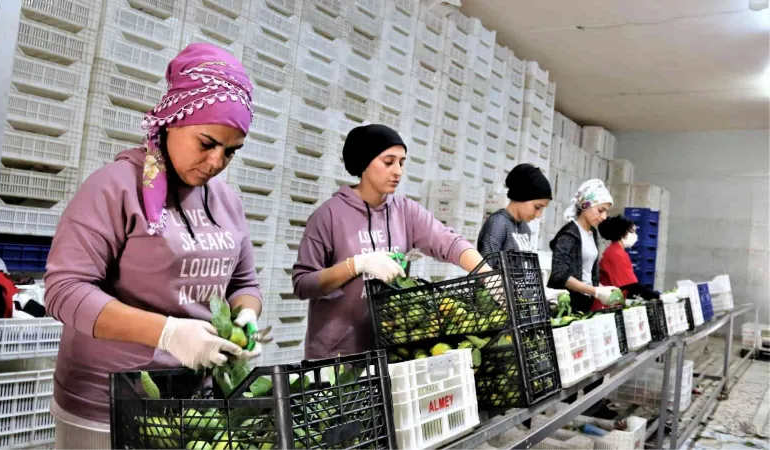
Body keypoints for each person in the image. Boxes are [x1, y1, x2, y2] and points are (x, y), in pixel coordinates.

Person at [43, 43, 264, 449]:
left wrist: (245, 318)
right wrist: (167, 333)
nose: (216, 162)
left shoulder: (226, 202)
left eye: (231, 152)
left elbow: (244, 283)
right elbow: (64, 291)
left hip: (188, 404)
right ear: (173, 120)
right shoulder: (115, 187)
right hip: (106, 406)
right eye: (206, 142)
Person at [292, 124, 492, 359]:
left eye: (401, 162)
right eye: (388, 162)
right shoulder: (329, 215)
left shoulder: (405, 211)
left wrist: (487, 274)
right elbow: (303, 283)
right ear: (364, 163)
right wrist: (355, 265)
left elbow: (448, 242)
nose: (398, 171)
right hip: (336, 356)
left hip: (390, 352)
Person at [477, 163, 568, 303]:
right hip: (495, 308)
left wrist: (540, 293)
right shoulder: (498, 223)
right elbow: (485, 273)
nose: (539, 215)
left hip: (518, 305)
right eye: (537, 207)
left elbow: (526, 272)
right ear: (522, 196)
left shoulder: (525, 228)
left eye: (542, 209)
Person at [547, 179, 619, 312]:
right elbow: (560, 274)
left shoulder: (592, 233)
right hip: (565, 305)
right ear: (585, 205)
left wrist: (601, 289)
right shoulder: (569, 234)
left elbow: (587, 273)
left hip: (584, 303)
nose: (604, 217)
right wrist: (595, 291)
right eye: (600, 210)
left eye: (606, 212)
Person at [598, 215, 660, 300]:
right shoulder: (616, 254)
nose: (635, 235)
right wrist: (659, 297)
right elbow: (630, 285)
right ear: (623, 233)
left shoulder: (616, 251)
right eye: (632, 231)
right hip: (608, 303)